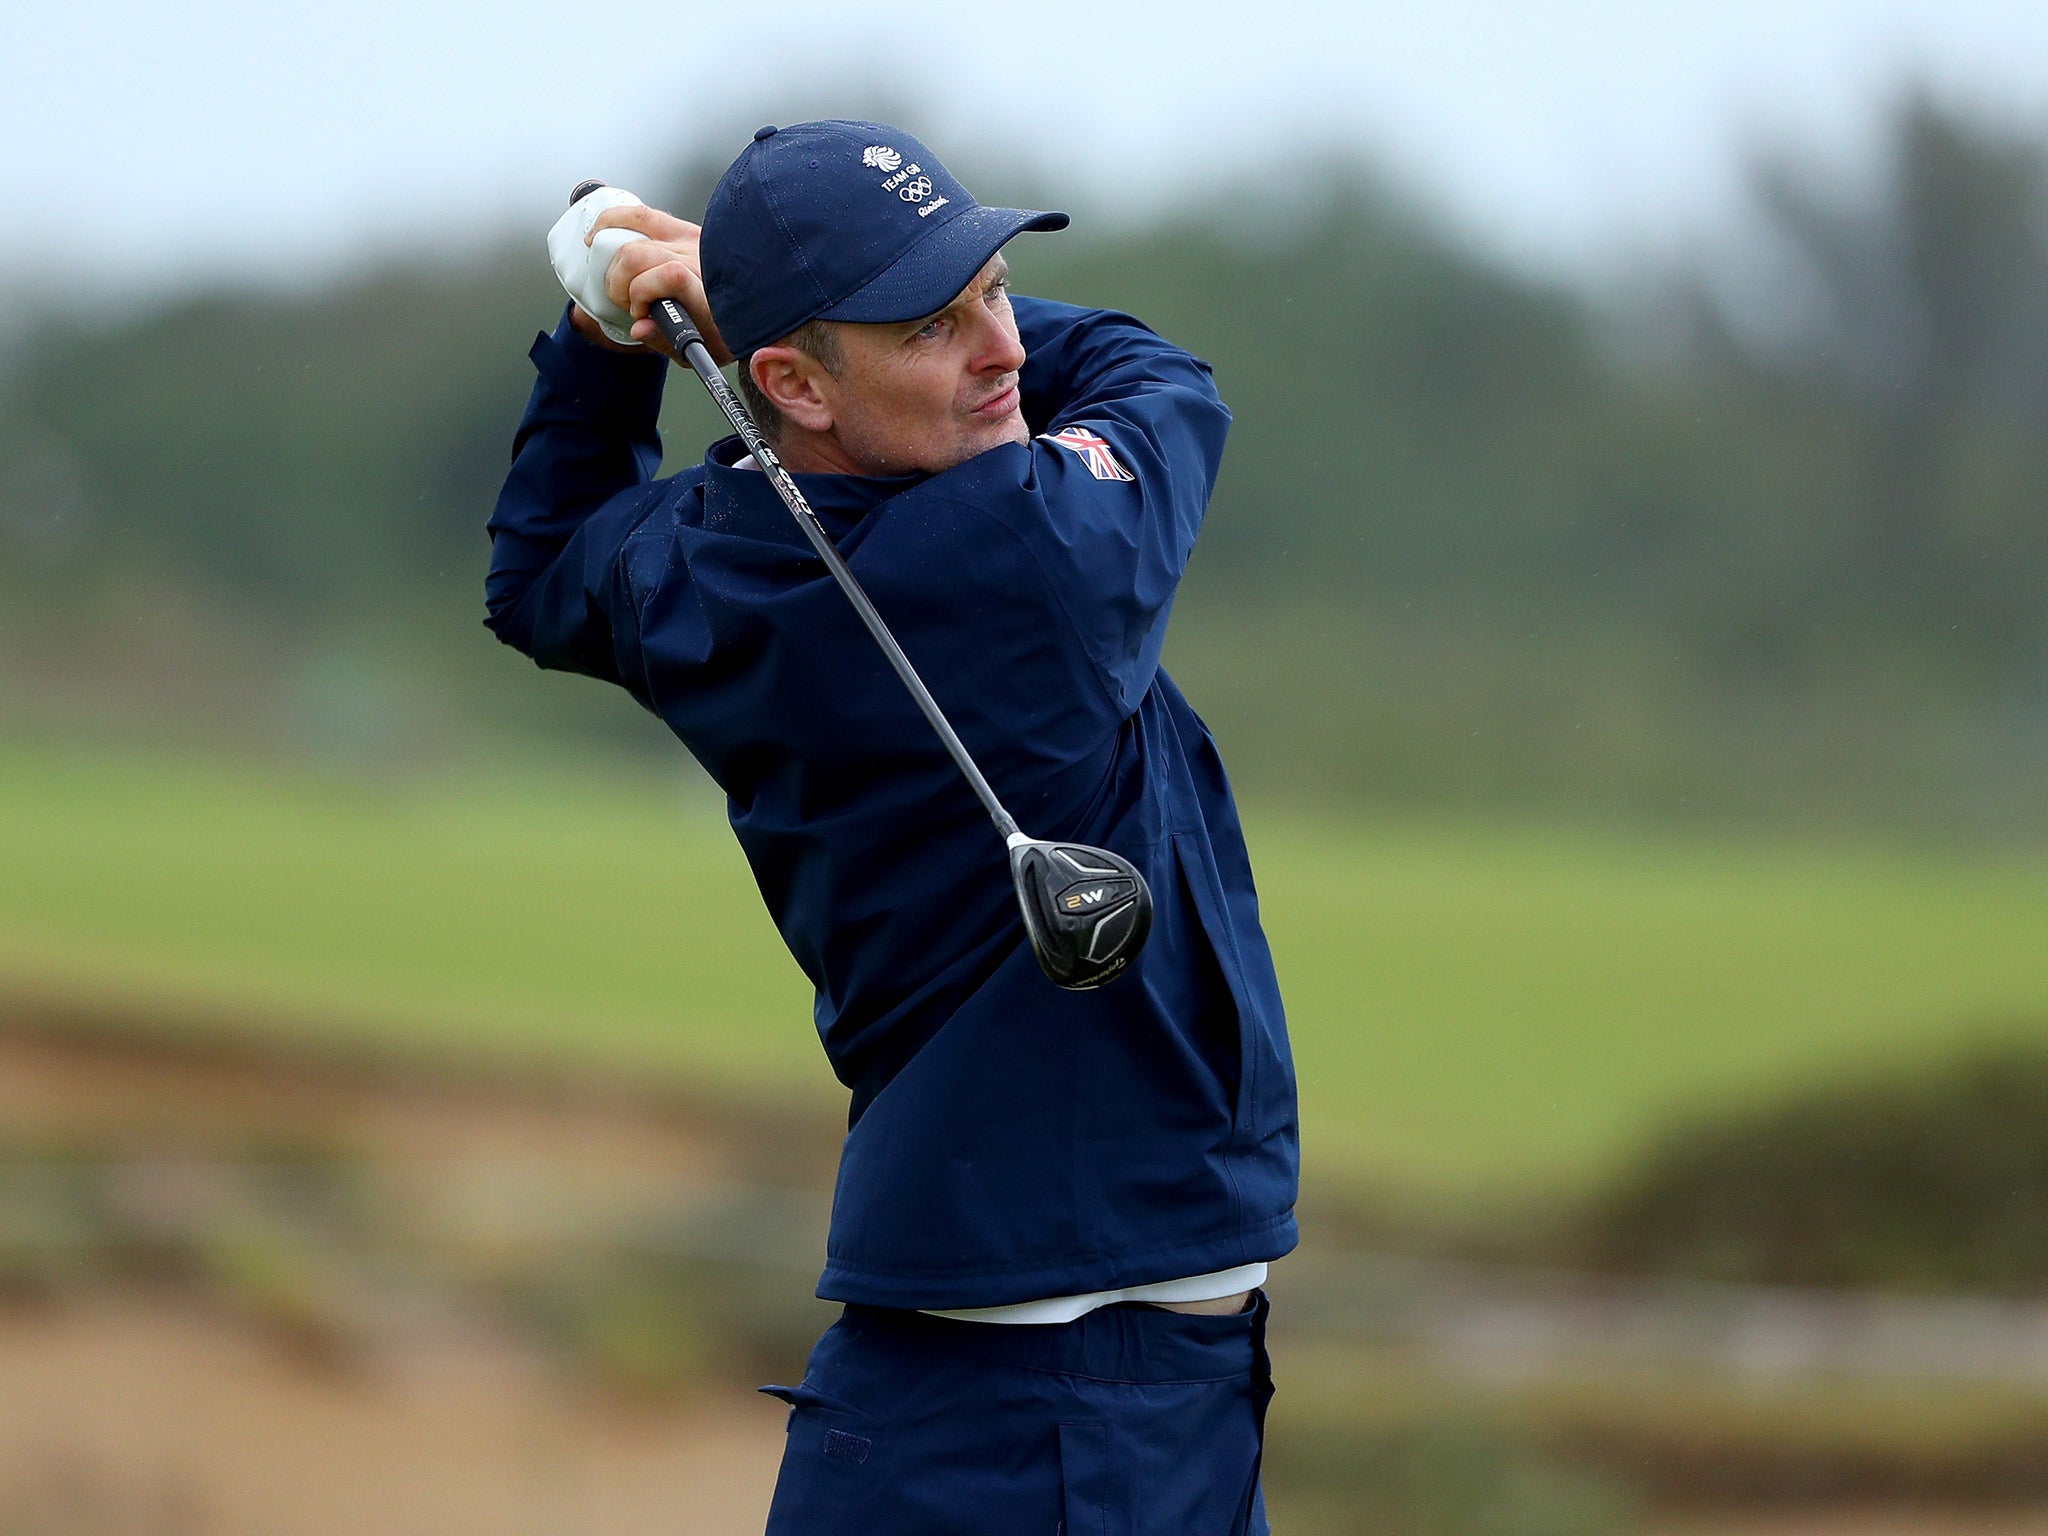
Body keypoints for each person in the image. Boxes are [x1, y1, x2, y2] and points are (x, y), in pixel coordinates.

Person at [485, 120, 1299, 1534]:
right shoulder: (1039, 556)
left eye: (994, 287)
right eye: (934, 323)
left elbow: (543, 563)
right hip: (1048, 1411)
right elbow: (1155, 371)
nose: (1000, 350)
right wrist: (714, 295)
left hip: (1045, 1382)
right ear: (792, 383)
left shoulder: (705, 564)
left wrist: (609, 338)